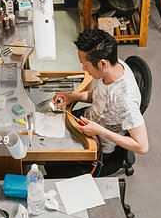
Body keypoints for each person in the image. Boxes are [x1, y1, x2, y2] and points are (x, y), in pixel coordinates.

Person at [48, 29, 148, 177]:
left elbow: (142, 146)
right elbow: (98, 94)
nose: (83, 69)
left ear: (102, 64)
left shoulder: (124, 100)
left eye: (86, 66)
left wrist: (100, 131)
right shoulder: (115, 65)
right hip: (87, 121)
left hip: (97, 146)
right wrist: (72, 97)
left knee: (52, 164)